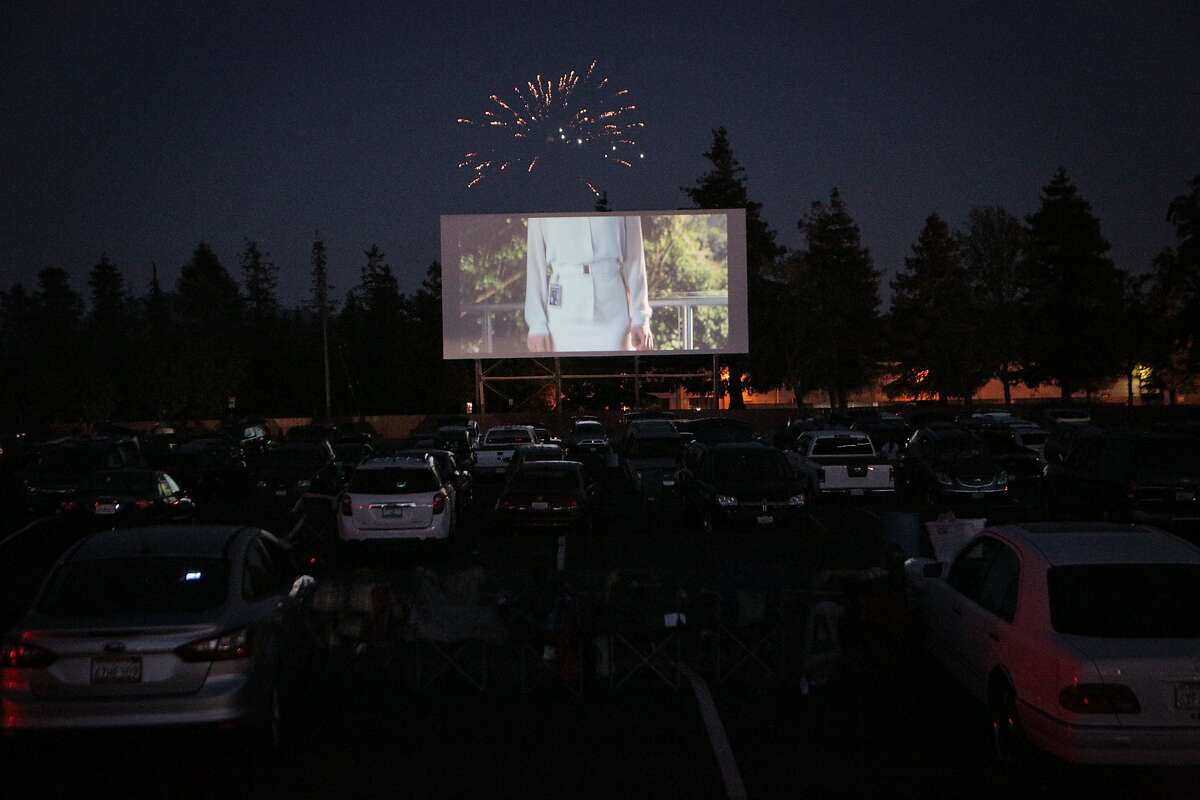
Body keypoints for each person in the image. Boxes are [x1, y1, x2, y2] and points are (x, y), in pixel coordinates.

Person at [525, 215, 653, 352]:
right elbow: (535, 264)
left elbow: (635, 259)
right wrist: (536, 324)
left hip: (614, 312)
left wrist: (641, 317)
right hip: (561, 316)